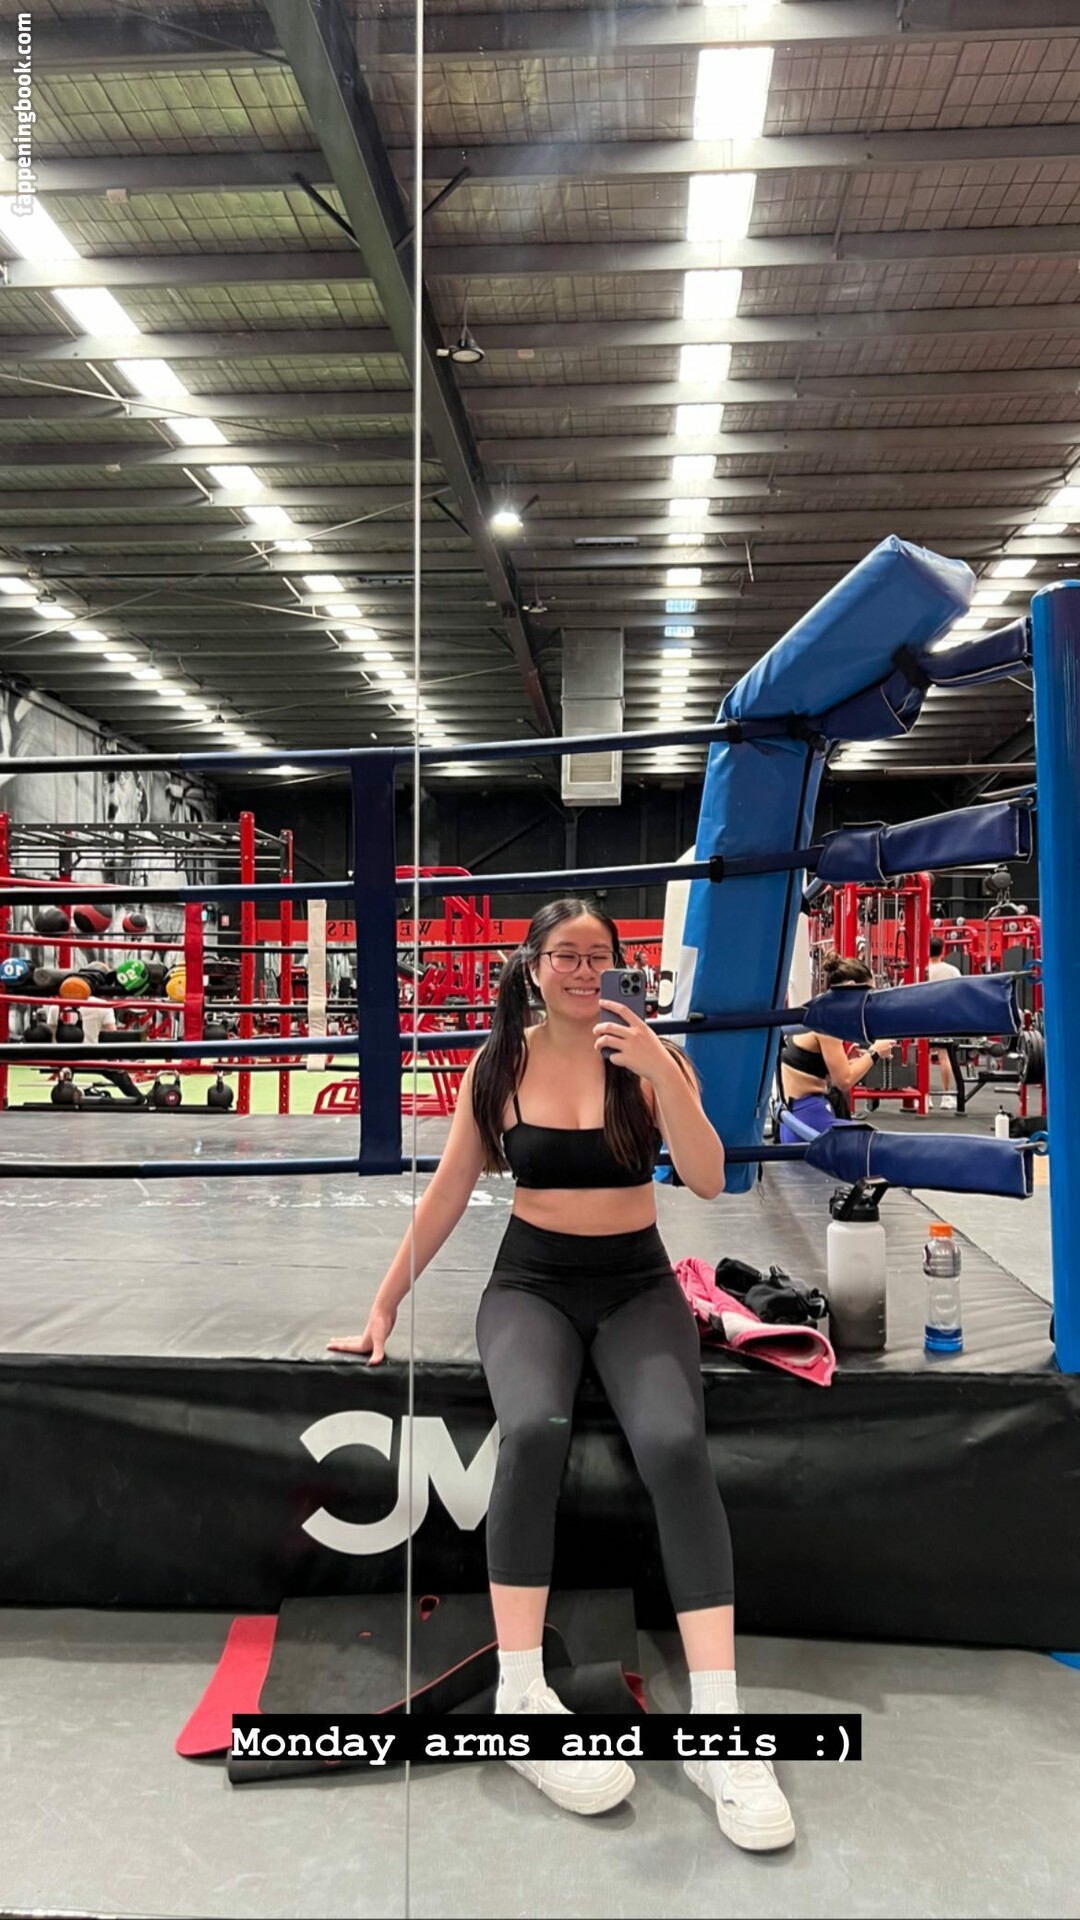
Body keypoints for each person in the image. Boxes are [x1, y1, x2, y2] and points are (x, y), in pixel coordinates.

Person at [329, 896, 795, 1851]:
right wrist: (383, 1306)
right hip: (532, 1285)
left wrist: (662, 1070)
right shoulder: (499, 1063)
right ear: (534, 966)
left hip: (637, 1286)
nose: (586, 972)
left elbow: (710, 1177)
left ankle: (718, 1722)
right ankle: (522, 1695)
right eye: (567, 956)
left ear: (623, 967)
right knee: (533, 1431)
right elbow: (448, 1191)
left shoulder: (651, 1059)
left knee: (674, 1443)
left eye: (600, 957)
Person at [778, 952, 896, 1142]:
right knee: (876, 1145)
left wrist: (850, 1060)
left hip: (798, 1116)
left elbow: (819, 1071)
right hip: (808, 1118)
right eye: (869, 995)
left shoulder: (818, 1008)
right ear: (852, 987)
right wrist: (875, 1052)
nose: (869, 1002)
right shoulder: (828, 1021)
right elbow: (844, 1081)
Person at [43, 996, 146, 1104]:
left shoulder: (57, 1006)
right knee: (117, 1071)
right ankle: (141, 1099)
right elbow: (112, 1037)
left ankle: (63, 1095)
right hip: (99, 1058)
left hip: (69, 1058)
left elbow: (52, 1039)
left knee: (65, 1071)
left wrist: (57, 1062)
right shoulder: (103, 1005)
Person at [926, 936, 961, 1111]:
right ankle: (947, 1097)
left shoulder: (920, 970)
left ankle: (925, 1098)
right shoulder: (952, 971)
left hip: (923, 1016)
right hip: (944, 1017)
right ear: (943, 951)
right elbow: (960, 993)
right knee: (944, 1055)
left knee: (922, 1056)